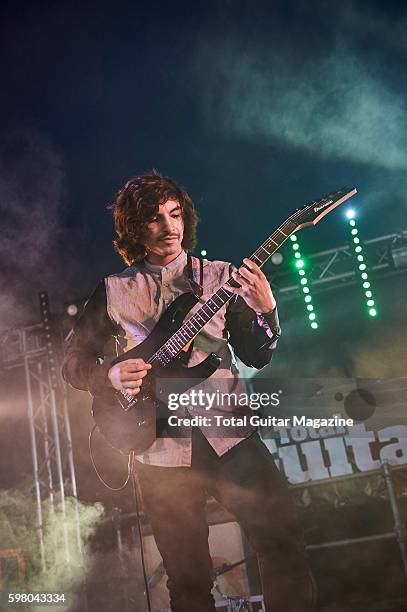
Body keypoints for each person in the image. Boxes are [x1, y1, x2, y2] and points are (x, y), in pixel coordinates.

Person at [62, 172, 315, 611]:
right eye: (155, 218)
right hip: (159, 449)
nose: (169, 227)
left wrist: (267, 309)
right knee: (188, 579)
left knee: (283, 545)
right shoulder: (112, 291)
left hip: (230, 436)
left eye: (175, 214)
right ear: (135, 229)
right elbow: (72, 365)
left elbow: (258, 355)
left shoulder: (220, 277)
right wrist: (109, 376)